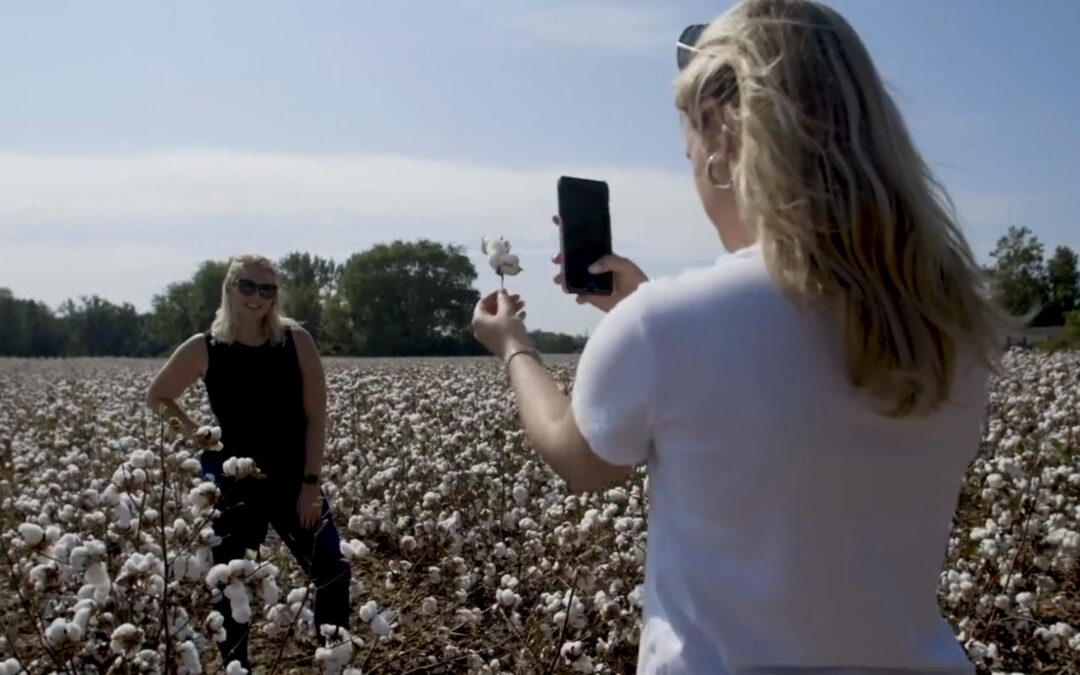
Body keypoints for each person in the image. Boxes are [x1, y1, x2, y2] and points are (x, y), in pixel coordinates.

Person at [471, 1, 1004, 673]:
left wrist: (514, 344)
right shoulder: (948, 324)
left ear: (721, 133)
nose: (692, 167)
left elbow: (579, 458)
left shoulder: (665, 328)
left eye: (690, 148)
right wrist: (646, 309)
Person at [146, 254, 350, 669]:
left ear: (275, 296)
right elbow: (158, 395)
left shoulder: (296, 342)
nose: (256, 296)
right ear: (229, 288)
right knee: (228, 581)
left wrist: (311, 485)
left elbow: (316, 416)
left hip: (292, 474)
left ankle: (334, 661)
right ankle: (236, 667)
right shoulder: (204, 347)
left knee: (332, 569)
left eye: (266, 289)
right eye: (247, 286)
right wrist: (197, 434)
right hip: (230, 480)